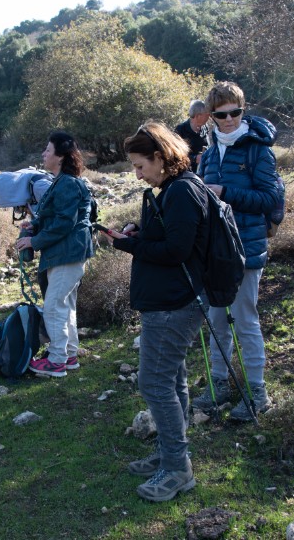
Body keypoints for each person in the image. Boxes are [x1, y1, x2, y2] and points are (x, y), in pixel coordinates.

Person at [98, 121, 208, 502]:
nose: (136, 172)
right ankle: (170, 452)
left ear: (160, 158)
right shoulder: (171, 190)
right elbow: (169, 239)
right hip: (168, 299)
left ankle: (178, 469)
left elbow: (177, 252)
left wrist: (131, 247)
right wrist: (138, 235)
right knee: (172, 380)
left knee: (154, 383)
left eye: (139, 165)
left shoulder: (181, 193)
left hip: (175, 303)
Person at [192, 81, 283, 421]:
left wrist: (224, 191)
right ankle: (219, 385)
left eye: (235, 112)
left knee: (245, 320)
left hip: (248, 248)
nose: (228, 119)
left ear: (243, 110)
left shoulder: (259, 150)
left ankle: (257, 393)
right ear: (211, 116)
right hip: (217, 252)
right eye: (221, 114)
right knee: (216, 319)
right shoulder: (211, 153)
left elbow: (269, 198)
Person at [14, 131, 94, 377]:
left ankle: (57, 361)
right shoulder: (61, 182)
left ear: (60, 157)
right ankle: (69, 355)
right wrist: (34, 226)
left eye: (48, 150)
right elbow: (53, 217)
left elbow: (63, 223)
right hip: (65, 254)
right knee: (65, 306)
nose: (43, 154)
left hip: (67, 254)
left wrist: (33, 241)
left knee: (53, 307)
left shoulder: (68, 183)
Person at [174, 100, 210, 167]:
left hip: (203, 171)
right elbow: (175, 155)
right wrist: (194, 158)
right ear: (198, 116)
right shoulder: (180, 130)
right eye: (207, 115)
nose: (209, 117)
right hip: (186, 172)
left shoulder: (205, 127)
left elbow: (207, 146)